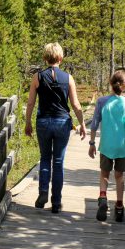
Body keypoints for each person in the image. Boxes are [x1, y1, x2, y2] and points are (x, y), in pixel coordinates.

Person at [24, 43, 85, 213]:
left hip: (43, 122)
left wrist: (27, 122)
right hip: (62, 122)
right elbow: (75, 103)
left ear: (45, 58)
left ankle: (43, 191)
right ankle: (56, 202)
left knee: (45, 158)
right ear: (61, 58)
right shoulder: (68, 78)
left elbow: (30, 102)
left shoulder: (37, 77)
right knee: (58, 162)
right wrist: (82, 124)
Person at [88, 70, 125, 222]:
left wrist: (92, 143)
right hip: (122, 147)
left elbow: (94, 124)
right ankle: (119, 207)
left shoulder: (102, 101)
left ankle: (103, 197)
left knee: (105, 173)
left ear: (110, 84)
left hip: (106, 145)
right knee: (119, 176)